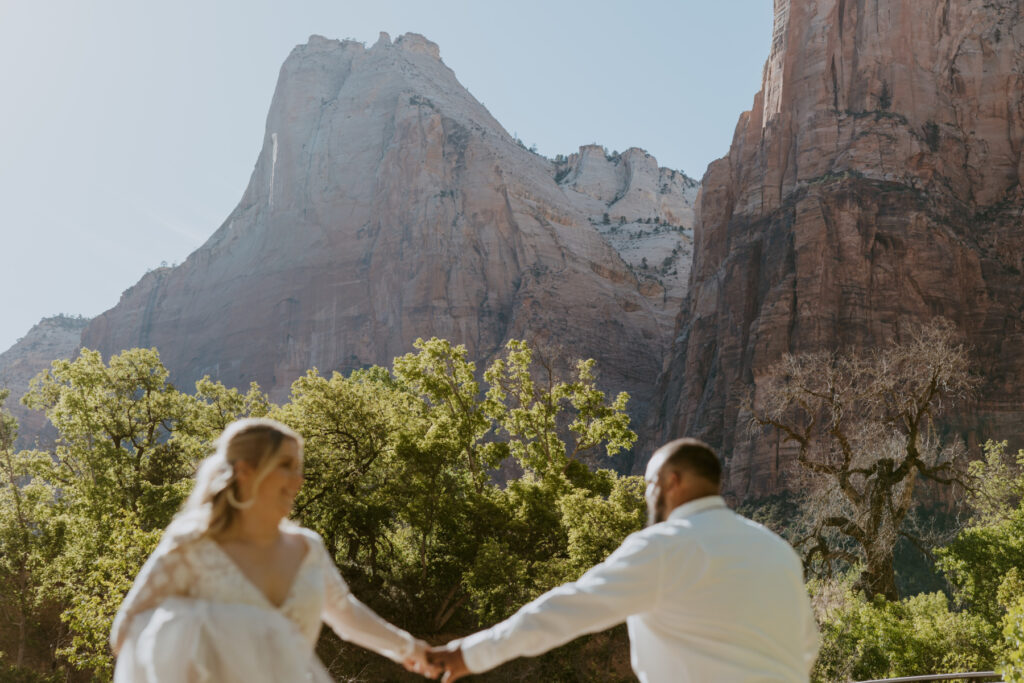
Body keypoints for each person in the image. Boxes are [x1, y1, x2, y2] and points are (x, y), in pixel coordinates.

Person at [427, 438, 820, 682]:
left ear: (671, 481)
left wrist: (471, 654)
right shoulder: (776, 549)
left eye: (649, 485)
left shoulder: (664, 546)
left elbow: (568, 608)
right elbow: (806, 646)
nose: (648, 497)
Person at [110, 417, 439, 682]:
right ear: (245, 471)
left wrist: (411, 649)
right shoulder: (192, 545)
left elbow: (347, 615)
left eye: (299, 468)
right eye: (286, 465)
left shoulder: (308, 547)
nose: (298, 480)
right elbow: (125, 631)